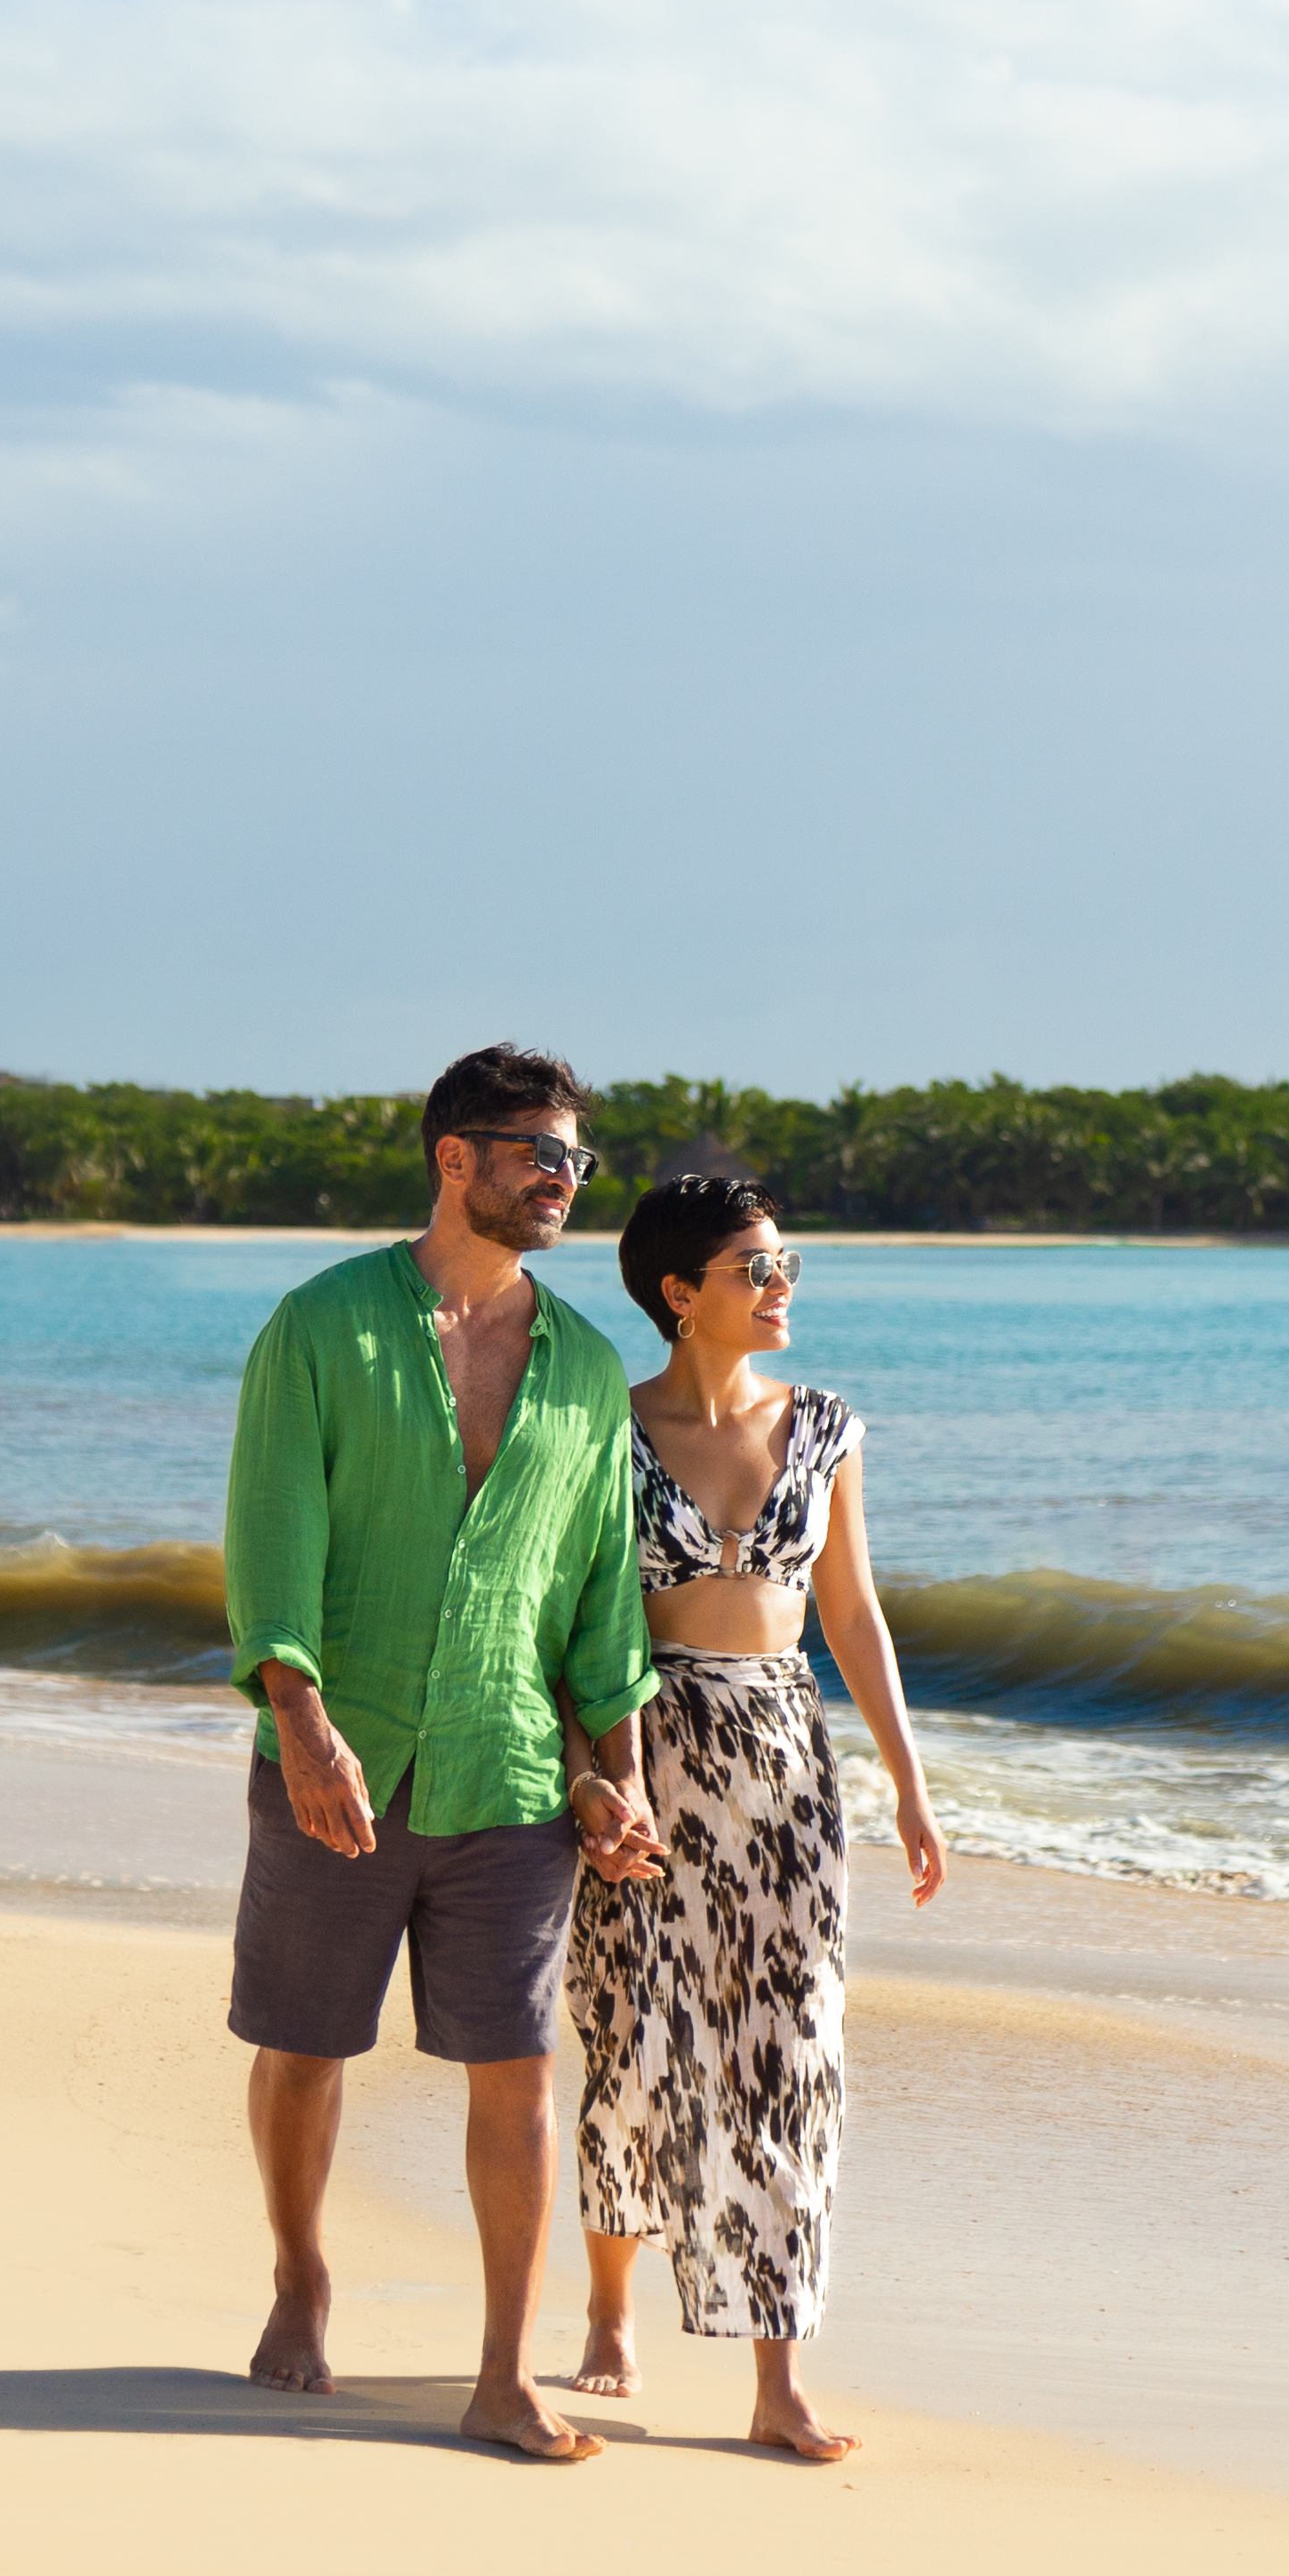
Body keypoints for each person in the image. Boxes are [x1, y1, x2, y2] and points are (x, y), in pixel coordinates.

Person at [220, 1043, 670, 2463]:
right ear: (453, 1158)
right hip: (339, 1751)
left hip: (512, 1770)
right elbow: (271, 1539)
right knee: (303, 2048)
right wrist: (301, 1724)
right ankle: (300, 2275)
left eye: (574, 1158)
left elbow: (600, 1589)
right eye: (535, 1151)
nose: (560, 1179)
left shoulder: (588, 1369)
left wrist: (622, 1767)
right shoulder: (322, 1327)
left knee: (518, 2070)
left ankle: (500, 2373)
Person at [558, 1173, 946, 2462]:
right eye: (755, 1268)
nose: (783, 1286)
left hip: (784, 1763)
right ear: (681, 1293)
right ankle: (613, 2309)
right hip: (649, 1749)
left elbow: (852, 1613)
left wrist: (907, 1777)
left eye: (786, 1264)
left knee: (791, 2054)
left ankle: (779, 2380)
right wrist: (588, 1774)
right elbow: (564, 1628)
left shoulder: (825, 1425)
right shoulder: (601, 1433)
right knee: (634, 2031)